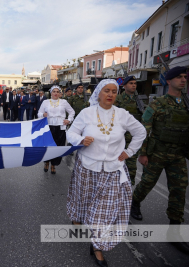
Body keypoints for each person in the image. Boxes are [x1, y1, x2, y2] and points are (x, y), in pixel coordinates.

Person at [66, 79, 146, 266]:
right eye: (106, 91)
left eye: (114, 91)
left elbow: (140, 132)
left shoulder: (122, 114)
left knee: (104, 211)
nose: (110, 94)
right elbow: (71, 133)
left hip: (112, 169)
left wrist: (129, 152)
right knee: (84, 200)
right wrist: (80, 140)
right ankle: (78, 218)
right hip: (87, 167)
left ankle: (97, 246)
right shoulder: (86, 113)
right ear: (98, 93)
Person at [131, 66, 189, 254]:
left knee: (179, 191)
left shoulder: (186, 104)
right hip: (158, 152)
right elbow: (145, 129)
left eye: (185, 77)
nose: (183, 80)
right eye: (179, 77)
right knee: (147, 183)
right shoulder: (158, 103)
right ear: (169, 80)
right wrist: (143, 153)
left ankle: (174, 232)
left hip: (178, 155)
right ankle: (135, 202)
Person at [38, 86, 74, 174]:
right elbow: (39, 113)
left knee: (58, 146)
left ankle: (54, 164)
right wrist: (43, 115)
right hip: (48, 126)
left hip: (60, 127)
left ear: (60, 93)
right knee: (48, 146)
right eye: (54, 91)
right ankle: (46, 162)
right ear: (51, 93)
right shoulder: (45, 102)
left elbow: (72, 112)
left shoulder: (64, 102)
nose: (55, 93)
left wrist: (69, 120)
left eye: (57, 92)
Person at [115, 76, 143, 186]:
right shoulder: (118, 99)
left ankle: (128, 187)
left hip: (132, 138)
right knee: (116, 162)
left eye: (135, 83)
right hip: (119, 137)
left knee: (131, 165)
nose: (134, 85)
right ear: (124, 85)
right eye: (131, 83)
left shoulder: (140, 100)